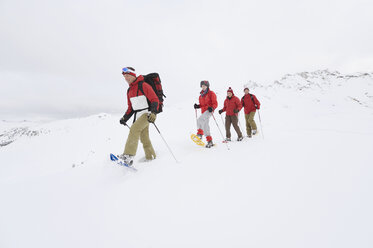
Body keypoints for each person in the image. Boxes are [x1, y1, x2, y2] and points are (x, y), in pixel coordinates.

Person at [118, 67, 159, 165]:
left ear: (133, 75)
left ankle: (128, 155)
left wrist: (153, 113)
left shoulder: (143, 85)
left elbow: (155, 100)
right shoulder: (129, 91)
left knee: (134, 129)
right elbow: (131, 108)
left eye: (127, 76)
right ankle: (151, 157)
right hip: (138, 115)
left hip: (147, 113)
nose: (126, 78)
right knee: (144, 137)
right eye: (124, 77)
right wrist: (125, 118)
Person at [194, 80, 218, 148]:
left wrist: (212, 108)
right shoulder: (201, 96)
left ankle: (199, 134)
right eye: (202, 86)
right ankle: (209, 141)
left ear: (207, 86)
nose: (203, 87)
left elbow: (215, 103)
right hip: (203, 112)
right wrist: (198, 106)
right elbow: (202, 105)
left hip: (209, 111)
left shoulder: (211, 93)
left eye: (204, 86)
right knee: (205, 126)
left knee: (199, 120)